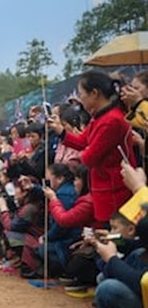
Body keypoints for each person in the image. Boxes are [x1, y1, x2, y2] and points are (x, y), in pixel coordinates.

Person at [48, 71, 135, 224]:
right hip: (104, 189)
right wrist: (61, 131)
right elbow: (82, 141)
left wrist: (81, 154)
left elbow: (90, 158)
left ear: (94, 93)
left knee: (114, 235)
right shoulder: (100, 117)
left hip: (113, 191)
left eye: (82, 94)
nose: (80, 99)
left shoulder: (111, 120)